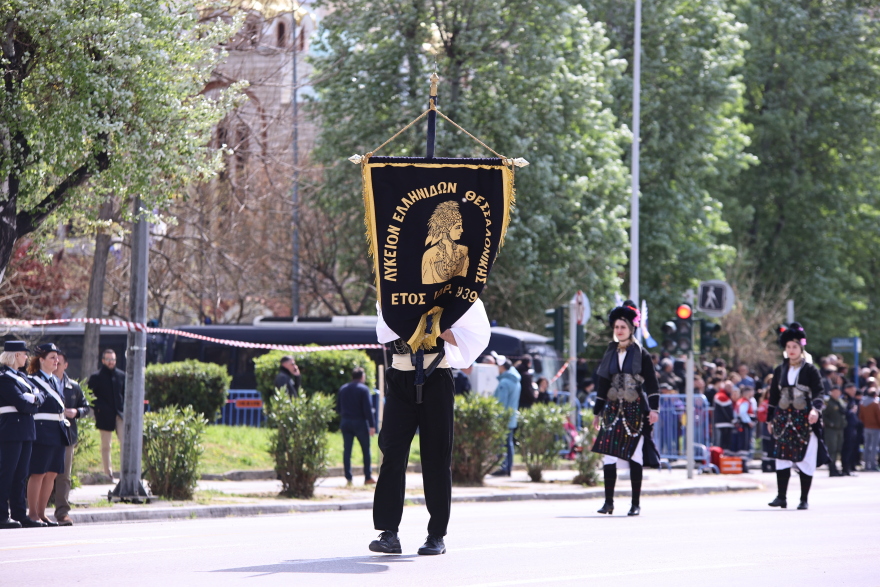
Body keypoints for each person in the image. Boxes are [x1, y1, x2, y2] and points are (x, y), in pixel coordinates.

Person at [369, 298, 489, 556]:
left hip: (437, 375)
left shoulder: (455, 292)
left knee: (436, 456)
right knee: (391, 453)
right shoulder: (395, 286)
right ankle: (388, 532)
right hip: (400, 377)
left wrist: (437, 327)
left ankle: (436, 535)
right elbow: (385, 331)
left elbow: (475, 338)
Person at [592, 301, 661, 516]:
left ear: (631, 329)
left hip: (635, 410)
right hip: (612, 410)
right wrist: (597, 412)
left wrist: (654, 409)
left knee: (636, 455)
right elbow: (603, 384)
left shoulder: (642, 353)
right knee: (608, 456)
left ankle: (635, 503)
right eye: (616, 327)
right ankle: (608, 502)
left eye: (622, 327)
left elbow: (652, 383)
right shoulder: (610, 351)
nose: (618, 330)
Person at [767, 323, 829, 510]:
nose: (791, 350)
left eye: (795, 346)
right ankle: (781, 497)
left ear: (801, 348)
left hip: (805, 419)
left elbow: (819, 393)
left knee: (806, 457)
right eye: (788, 347)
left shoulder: (810, 370)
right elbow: (773, 396)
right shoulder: (779, 370)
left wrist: (815, 411)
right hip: (784, 419)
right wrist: (770, 419)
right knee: (782, 456)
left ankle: (803, 499)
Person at [0, 341, 44, 529]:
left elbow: (41, 396)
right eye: (24, 354)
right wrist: (32, 399)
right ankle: (2, 515)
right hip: (11, 430)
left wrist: (33, 398)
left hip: (26, 429)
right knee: (6, 474)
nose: (27, 357)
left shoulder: (21, 377)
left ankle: (19, 514)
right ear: (15, 355)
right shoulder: (4, 378)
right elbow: (21, 403)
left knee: (21, 475)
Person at [26, 343, 71, 526]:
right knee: (38, 472)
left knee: (52, 473)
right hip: (41, 429)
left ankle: (43, 513)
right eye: (52, 357)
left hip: (57, 429)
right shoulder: (32, 380)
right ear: (41, 360)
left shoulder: (56, 380)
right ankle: (33, 514)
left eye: (57, 357)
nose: (56, 360)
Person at [51, 351, 90, 525]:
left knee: (64, 476)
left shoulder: (73, 386)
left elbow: (86, 407)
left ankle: (62, 513)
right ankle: (36, 513)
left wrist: (77, 412)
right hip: (46, 435)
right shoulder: (44, 383)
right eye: (54, 360)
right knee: (41, 475)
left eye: (60, 362)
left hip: (67, 436)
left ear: (66, 365)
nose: (56, 364)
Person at [88, 349, 125, 480]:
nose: (111, 362)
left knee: (125, 443)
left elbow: (125, 394)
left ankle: (125, 472)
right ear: (103, 361)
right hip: (104, 415)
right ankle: (107, 473)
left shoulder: (121, 375)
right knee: (106, 445)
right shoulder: (96, 377)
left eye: (113, 359)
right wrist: (98, 408)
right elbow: (88, 395)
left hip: (120, 414)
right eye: (108, 359)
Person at [337, 367, 376, 486]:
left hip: (346, 422)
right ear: (362, 377)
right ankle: (367, 477)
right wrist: (372, 425)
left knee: (347, 450)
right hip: (360, 422)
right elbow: (368, 409)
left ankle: (348, 478)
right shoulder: (364, 389)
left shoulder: (343, 389)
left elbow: (338, 407)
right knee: (365, 450)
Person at [491, 356, 521, 477]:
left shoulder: (504, 382)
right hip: (512, 417)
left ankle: (503, 467)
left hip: (503, 419)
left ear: (502, 367)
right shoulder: (516, 381)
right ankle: (508, 467)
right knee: (509, 444)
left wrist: (497, 419)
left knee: (502, 444)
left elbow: (501, 403)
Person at [824, 386, 847, 476]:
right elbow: (824, 415)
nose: (837, 393)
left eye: (838, 392)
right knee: (831, 449)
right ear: (831, 392)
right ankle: (831, 469)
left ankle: (836, 469)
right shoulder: (827, 402)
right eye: (835, 392)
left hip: (840, 429)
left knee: (838, 449)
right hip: (831, 430)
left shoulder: (840, 401)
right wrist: (831, 424)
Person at [858, 389, 880, 472]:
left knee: (866, 446)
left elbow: (861, 416)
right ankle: (872, 465)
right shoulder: (875, 404)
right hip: (875, 427)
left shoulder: (862, 403)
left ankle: (866, 464)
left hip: (866, 427)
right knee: (874, 447)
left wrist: (865, 423)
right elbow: (878, 416)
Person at [841, 383, 861, 475]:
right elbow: (843, 412)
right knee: (847, 447)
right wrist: (851, 411)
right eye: (852, 390)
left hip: (853, 426)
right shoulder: (844, 399)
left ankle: (849, 468)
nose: (854, 392)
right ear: (846, 390)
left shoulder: (852, 399)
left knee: (852, 448)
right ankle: (845, 468)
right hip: (847, 427)